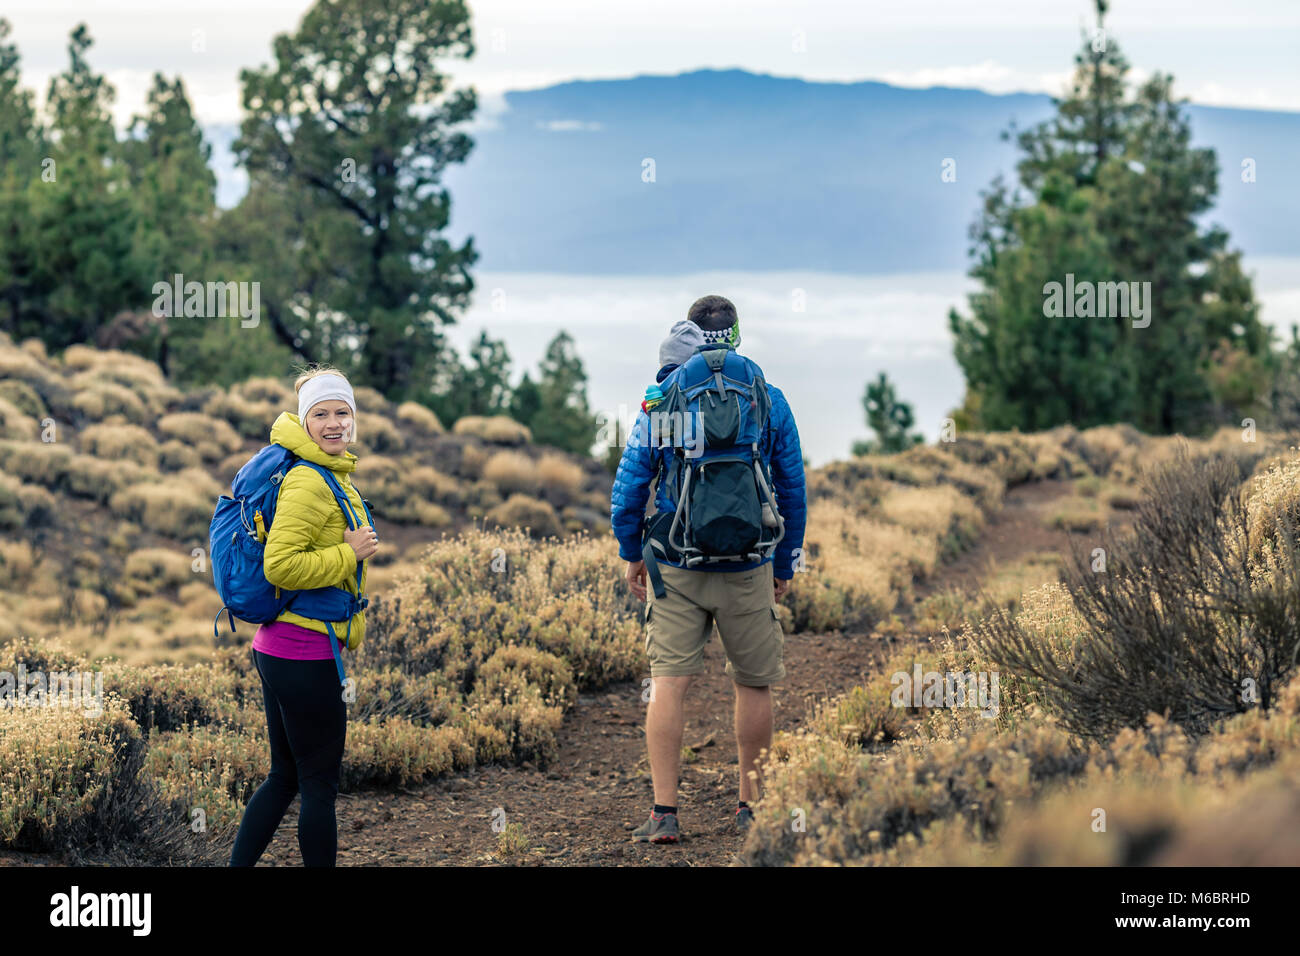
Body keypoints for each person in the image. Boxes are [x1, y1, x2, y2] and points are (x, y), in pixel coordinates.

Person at [611, 295, 807, 843]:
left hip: (675, 564)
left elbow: (630, 484)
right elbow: (791, 486)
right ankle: (751, 807)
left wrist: (632, 551)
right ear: (736, 337)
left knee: (668, 684)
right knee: (754, 684)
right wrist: (785, 558)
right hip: (749, 564)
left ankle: (664, 814)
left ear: (693, 337)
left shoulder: (663, 398)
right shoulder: (769, 398)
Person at [229, 366, 380, 867]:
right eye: (321, 414)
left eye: (342, 413)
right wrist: (348, 553)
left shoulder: (327, 472)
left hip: (282, 648)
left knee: (285, 776)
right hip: (304, 651)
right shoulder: (308, 481)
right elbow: (282, 564)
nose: (334, 423)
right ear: (304, 419)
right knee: (318, 787)